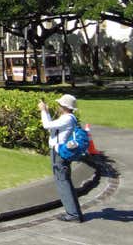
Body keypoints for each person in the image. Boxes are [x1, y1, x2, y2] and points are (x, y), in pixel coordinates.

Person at [38, 94, 84, 223]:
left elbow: (47, 126)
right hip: (62, 152)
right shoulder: (69, 118)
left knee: (62, 182)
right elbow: (51, 126)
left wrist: (43, 111)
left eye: (59, 105)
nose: (57, 106)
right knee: (65, 181)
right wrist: (46, 112)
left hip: (59, 153)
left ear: (63, 106)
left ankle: (73, 214)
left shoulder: (66, 119)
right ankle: (74, 212)